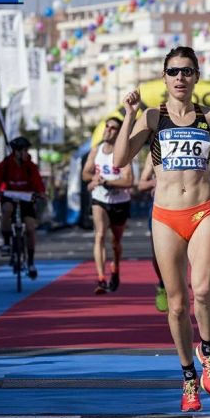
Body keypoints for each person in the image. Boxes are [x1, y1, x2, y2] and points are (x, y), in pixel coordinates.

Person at [114, 46, 210, 412]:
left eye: (187, 71)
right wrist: (129, 114)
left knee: (201, 290)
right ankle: (187, 378)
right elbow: (121, 159)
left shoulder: (209, 117)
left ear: (197, 76)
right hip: (166, 216)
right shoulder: (153, 117)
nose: (180, 78)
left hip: (203, 210)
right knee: (178, 304)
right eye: (173, 71)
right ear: (164, 77)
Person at [82, 117, 133, 294]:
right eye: (107, 126)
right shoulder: (95, 151)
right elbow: (85, 174)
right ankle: (101, 278)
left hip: (120, 202)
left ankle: (116, 266)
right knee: (100, 235)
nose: (108, 130)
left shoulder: (123, 154)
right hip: (100, 199)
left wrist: (107, 182)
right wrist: (94, 179)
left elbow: (129, 181)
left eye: (113, 128)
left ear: (118, 134)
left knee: (115, 242)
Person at [0, 136, 46, 279]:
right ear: (16, 152)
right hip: (10, 196)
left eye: (27, 150)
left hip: (26, 198)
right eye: (24, 150)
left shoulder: (30, 165)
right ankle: (7, 242)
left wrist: (41, 192)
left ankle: (31, 262)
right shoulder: (6, 164)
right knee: (7, 209)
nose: (26, 153)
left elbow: (37, 181)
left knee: (31, 228)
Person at [137, 151, 168, 312]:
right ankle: (163, 284)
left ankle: (177, 287)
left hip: (187, 206)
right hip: (159, 207)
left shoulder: (190, 138)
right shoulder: (154, 153)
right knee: (157, 256)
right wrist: (158, 181)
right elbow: (141, 184)